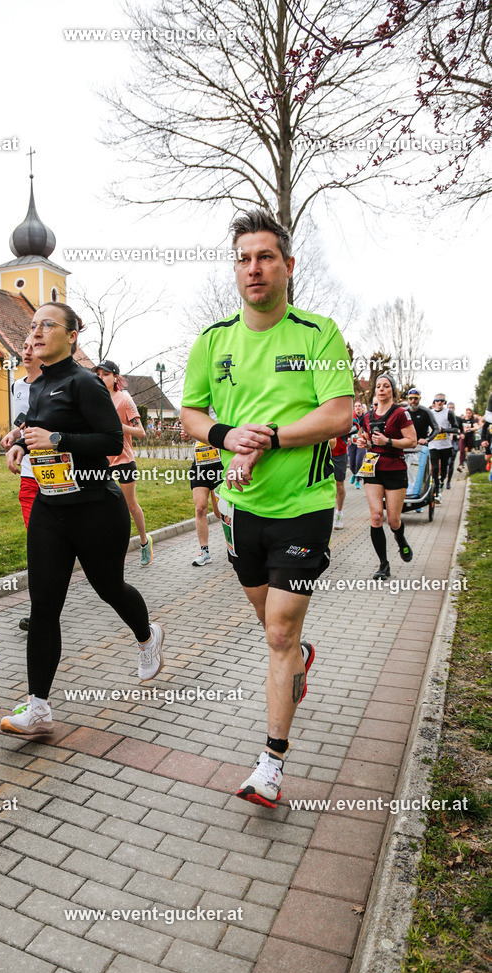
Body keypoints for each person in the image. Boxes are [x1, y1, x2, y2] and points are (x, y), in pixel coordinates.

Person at [181, 208, 354, 808]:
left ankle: (271, 763)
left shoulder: (318, 335)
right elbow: (191, 415)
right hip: (240, 510)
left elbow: (339, 413)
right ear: (236, 269)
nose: (254, 269)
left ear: (288, 266)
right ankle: (298, 658)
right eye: (244, 259)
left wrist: (272, 438)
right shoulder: (212, 341)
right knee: (272, 628)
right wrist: (227, 436)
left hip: (303, 508)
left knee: (279, 631)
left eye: (265, 257)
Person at [0, 303, 163, 736]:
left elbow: (111, 440)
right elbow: (36, 428)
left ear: (72, 335)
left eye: (46, 325)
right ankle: (38, 708)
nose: (36, 332)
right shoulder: (39, 385)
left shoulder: (84, 383)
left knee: (110, 588)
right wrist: (21, 446)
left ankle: (147, 636)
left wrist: (57, 438)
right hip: (51, 511)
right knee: (44, 606)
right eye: (32, 326)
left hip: (96, 510)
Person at [356, 373, 417, 579]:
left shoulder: (400, 413)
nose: (381, 389)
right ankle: (383, 564)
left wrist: (388, 442)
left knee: (392, 520)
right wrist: (363, 443)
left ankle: (400, 539)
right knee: (376, 517)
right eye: (379, 386)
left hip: (395, 469)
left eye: (386, 386)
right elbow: (367, 439)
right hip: (372, 469)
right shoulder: (367, 416)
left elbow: (412, 441)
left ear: (392, 390)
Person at [94, 359, 153, 566]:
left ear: (115, 378)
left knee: (130, 504)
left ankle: (144, 542)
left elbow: (141, 432)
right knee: (104, 506)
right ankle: (110, 548)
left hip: (124, 459)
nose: (101, 378)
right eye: (98, 374)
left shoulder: (124, 399)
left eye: (105, 374)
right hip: (103, 460)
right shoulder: (95, 399)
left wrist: (118, 427)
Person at [1, 335, 42, 630]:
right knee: (36, 543)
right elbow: (22, 422)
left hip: (60, 474)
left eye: (33, 347)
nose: (27, 352)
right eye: (24, 348)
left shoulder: (58, 384)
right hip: (29, 473)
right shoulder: (16, 386)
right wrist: (14, 437)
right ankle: (39, 609)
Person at [181, 427, 223, 565]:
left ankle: (236, 546)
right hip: (200, 465)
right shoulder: (195, 412)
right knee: (200, 508)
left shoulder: (221, 409)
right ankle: (204, 552)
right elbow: (194, 435)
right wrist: (188, 434)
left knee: (221, 512)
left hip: (219, 465)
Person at [428, 393, 456, 502]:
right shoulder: (429, 413)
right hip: (433, 445)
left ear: (444, 402)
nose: (439, 402)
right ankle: (436, 491)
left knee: (444, 468)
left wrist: (444, 430)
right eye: (437, 400)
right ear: (434, 402)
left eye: (442, 400)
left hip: (445, 445)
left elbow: (456, 428)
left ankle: (442, 481)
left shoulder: (448, 413)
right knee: (435, 468)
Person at [330, 433, 348, 528]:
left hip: (339, 453)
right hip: (321, 452)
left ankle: (339, 513)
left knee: (339, 484)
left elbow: (353, 426)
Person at [348, 400, 366, 489]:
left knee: (359, 461)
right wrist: (347, 438)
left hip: (361, 443)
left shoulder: (365, 418)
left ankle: (358, 481)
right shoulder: (351, 418)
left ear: (362, 408)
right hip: (352, 443)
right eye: (356, 406)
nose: (358, 407)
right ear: (354, 408)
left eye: (359, 406)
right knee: (351, 464)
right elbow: (346, 430)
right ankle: (355, 474)